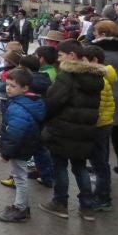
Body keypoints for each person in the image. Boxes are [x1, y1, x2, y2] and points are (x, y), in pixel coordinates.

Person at [38, 41, 103, 221]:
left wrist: (46, 118)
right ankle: (87, 207)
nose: (58, 59)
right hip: (85, 131)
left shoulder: (67, 75)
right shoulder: (95, 77)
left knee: (60, 166)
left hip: (63, 129)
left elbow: (53, 101)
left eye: (60, 55)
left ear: (72, 56)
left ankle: (60, 203)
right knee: (80, 167)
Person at [0, 68, 46, 222]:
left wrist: (6, 153)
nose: (8, 88)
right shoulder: (30, 102)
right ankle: (20, 206)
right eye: (7, 84)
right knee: (19, 176)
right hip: (25, 145)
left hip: (20, 147)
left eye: (13, 86)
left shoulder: (18, 108)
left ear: (24, 88)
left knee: (20, 177)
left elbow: (15, 133)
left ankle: (21, 208)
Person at [91, 20, 118, 178]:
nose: (93, 33)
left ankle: (101, 167)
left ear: (103, 34)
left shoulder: (99, 51)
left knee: (102, 132)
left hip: (106, 93)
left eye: (96, 31)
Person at [80, 45, 115, 211]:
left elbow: (96, 106)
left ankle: (103, 198)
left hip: (98, 125)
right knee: (99, 163)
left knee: (100, 164)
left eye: (83, 60)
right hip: (102, 124)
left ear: (94, 61)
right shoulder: (102, 77)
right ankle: (102, 195)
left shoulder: (99, 81)